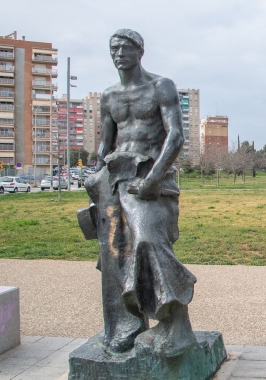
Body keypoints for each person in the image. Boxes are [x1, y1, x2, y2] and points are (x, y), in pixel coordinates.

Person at [79, 29, 196, 357]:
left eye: (125, 47)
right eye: (113, 48)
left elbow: (175, 136)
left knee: (146, 239)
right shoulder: (109, 96)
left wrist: (155, 179)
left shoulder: (161, 86)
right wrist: (95, 171)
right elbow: (107, 143)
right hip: (117, 180)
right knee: (114, 251)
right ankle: (127, 325)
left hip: (151, 178)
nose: (118, 53)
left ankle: (176, 321)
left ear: (140, 51)